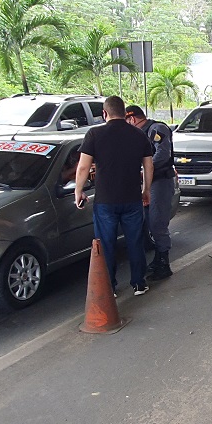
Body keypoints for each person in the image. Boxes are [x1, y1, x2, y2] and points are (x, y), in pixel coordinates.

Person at [75, 96, 154, 297]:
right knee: (135, 241)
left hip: (105, 202)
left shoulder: (94, 133)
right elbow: (148, 165)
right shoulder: (138, 135)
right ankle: (138, 283)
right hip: (132, 199)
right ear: (124, 112)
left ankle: (109, 286)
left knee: (106, 244)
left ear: (104, 113)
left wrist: (78, 190)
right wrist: (146, 190)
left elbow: (83, 166)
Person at [125, 105, 175, 281]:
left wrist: (144, 170)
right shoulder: (137, 134)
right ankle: (157, 259)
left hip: (159, 182)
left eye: (127, 121)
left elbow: (162, 154)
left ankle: (164, 263)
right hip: (147, 182)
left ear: (132, 118)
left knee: (157, 223)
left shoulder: (156, 129)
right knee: (147, 222)